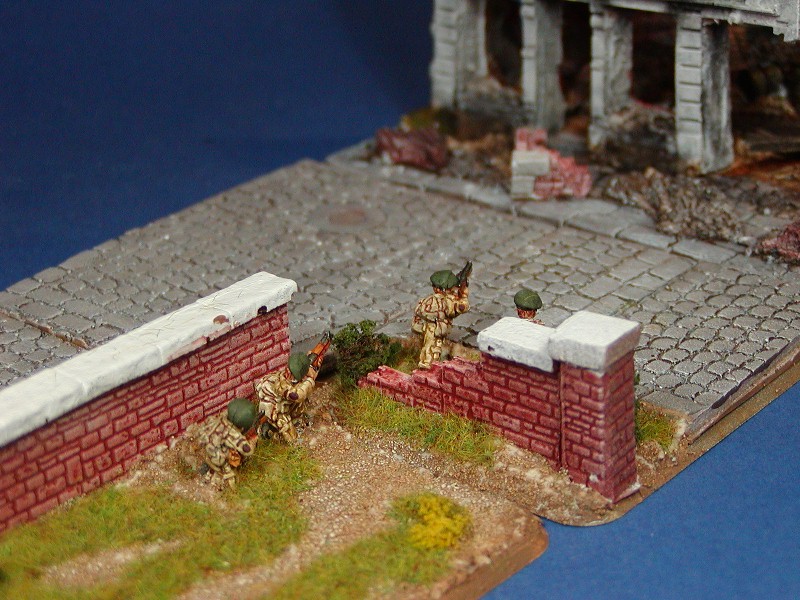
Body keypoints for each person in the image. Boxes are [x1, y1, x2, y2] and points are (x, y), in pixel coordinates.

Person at [254, 336, 328, 442]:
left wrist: (312, 363)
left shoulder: (277, 376)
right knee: (289, 432)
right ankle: (288, 444)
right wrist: (310, 379)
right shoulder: (283, 386)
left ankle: (294, 421)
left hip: (272, 406)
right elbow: (298, 396)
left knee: (298, 407)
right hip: (274, 413)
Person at [412, 267, 470, 369]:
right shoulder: (446, 302)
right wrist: (463, 295)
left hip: (430, 328)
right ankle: (427, 368)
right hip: (435, 330)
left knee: (429, 348)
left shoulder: (430, 299)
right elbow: (461, 307)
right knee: (432, 350)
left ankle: (426, 364)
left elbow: (418, 311)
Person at [198, 397, 258, 489]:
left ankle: (206, 478)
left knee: (213, 466)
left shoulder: (220, 419)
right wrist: (252, 442)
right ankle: (225, 487)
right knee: (228, 474)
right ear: (243, 427)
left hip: (206, 447)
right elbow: (247, 450)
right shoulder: (233, 434)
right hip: (217, 457)